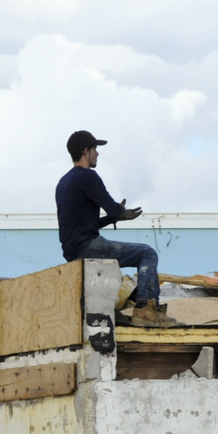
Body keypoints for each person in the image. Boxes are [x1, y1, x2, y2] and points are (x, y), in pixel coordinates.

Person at [56, 130, 176, 326]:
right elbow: (112, 208)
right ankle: (146, 308)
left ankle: (146, 305)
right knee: (147, 253)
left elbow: (82, 223)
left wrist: (113, 218)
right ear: (86, 151)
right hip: (88, 246)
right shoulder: (88, 177)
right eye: (95, 149)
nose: (97, 154)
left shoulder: (63, 182)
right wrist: (119, 212)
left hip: (72, 250)